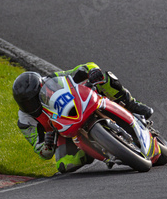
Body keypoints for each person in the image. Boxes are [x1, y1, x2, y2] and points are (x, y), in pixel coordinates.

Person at [12, 62, 153, 174]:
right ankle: (94, 149)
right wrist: (47, 145)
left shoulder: (52, 80)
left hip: (80, 103)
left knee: (105, 78)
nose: (32, 105)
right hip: (63, 131)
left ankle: (132, 104)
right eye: (27, 104)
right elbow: (42, 152)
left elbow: (82, 69)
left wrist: (91, 71)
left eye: (34, 100)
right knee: (64, 165)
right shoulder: (25, 121)